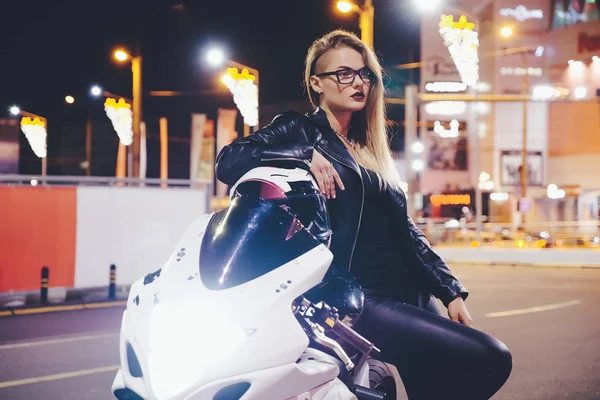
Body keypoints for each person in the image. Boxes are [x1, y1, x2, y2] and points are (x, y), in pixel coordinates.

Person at [215, 29, 512, 400]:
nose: (358, 82)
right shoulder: (300, 130)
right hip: (359, 299)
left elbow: (404, 229)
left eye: (364, 74)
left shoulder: (369, 145)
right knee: (491, 357)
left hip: (412, 293)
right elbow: (228, 162)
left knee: (439, 386)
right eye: (343, 73)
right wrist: (303, 153)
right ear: (316, 83)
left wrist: (449, 290)